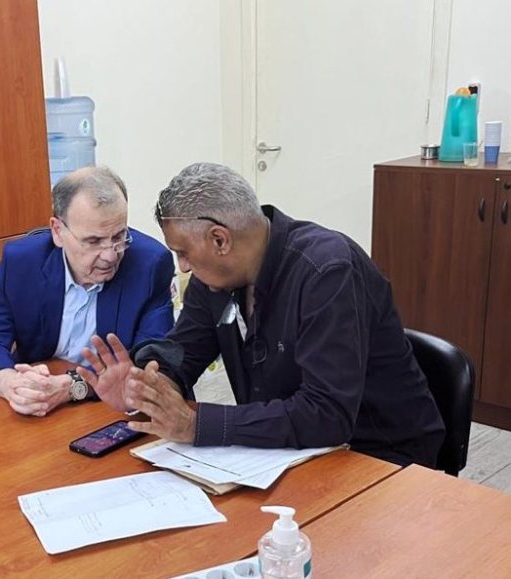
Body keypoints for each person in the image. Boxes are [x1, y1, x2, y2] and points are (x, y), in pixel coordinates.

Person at [83, 162, 445, 468]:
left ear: (220, 240)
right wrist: (145, 385)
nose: (183, 267)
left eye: (184, 253)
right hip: (284, 453)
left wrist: (197, 424)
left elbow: (328, 414)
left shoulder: (326, 271)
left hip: (380, 456)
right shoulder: (216, 280)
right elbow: (182, 352)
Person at [0, 166, 175, 417]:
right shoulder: (22, 262)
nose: (110, 256)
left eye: (119, 236)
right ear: (58, 231)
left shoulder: (150, 265)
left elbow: (149, 365)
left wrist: (72, 387)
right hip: (40, 407)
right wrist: (10, 383)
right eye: (93, 241)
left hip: (111, 410)